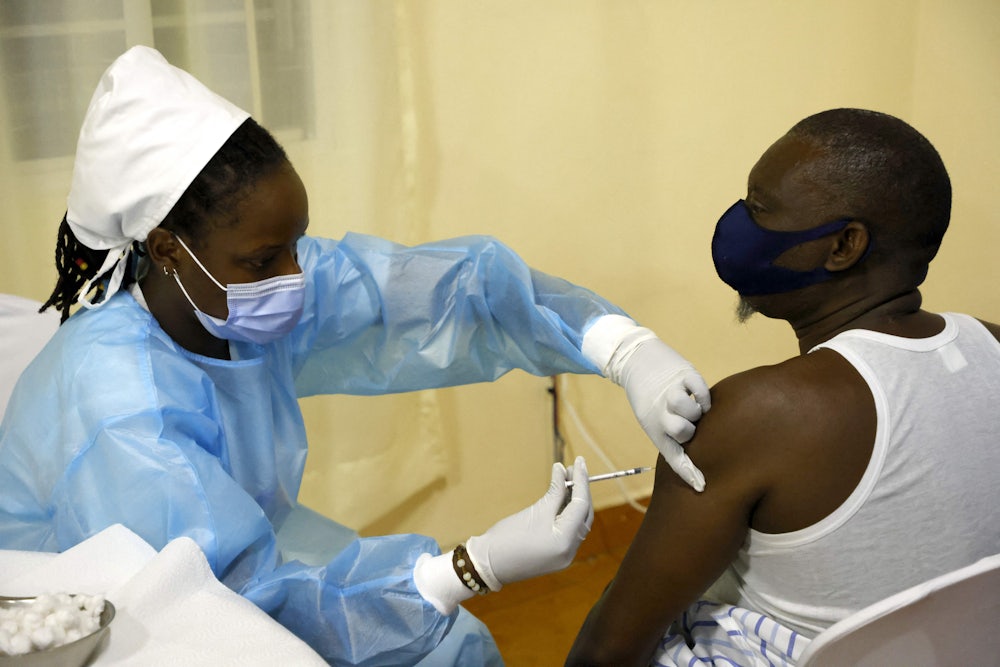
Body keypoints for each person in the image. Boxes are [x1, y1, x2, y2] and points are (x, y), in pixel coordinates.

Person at [0, 47, 710, 666]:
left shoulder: (233, 290)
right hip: (111, 607)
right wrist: (471, 564)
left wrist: (625, 349)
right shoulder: (123, 408)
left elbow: (460, 290)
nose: (294, 278)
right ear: (165, 247)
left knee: (451, 644)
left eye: (296, 243)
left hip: (235, 543)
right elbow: (232, 606)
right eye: (261, 258)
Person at [565, 108, 1000, 666]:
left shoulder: (759, 415)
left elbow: (610, 649)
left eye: (760, 209)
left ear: (844, 245)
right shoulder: (991, 345)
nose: (740, 225)